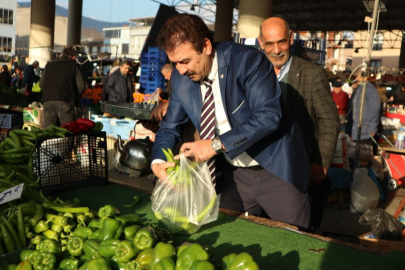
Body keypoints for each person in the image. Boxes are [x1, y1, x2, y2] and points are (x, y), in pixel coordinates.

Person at [151, 14, 312, 229]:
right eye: (174, 63)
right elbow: (170, 127)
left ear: (206, 46)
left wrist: (215, 145)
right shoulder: (181, 80)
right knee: (225, 237)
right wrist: (158, 162)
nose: (179, 70)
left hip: (276, 169)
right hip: (233, 175)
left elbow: (268, 117)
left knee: (296, 240)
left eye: (185, 61)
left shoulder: (248, 61)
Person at [259, 17, 340, 231]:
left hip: (300, 172)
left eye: (282, 42)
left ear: (291, 39)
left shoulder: (312, 74)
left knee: (300, 233)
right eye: (270, 43)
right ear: (261, 43)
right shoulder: (253, 73)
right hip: (261, 172)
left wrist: (320, 163)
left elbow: (329, 120)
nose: (276, 50)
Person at [39, 46, 86, 128]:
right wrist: (74, 96)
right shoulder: (73, 65)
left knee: (48, 133)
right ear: (74, 57)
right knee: (66, 132)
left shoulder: (49, 65)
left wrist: (50, 92)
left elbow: (41, 84)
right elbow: (81, 86)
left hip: (48, 101)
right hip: (66, 102)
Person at [347, 73, 381, 146]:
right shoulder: (359, 88)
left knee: (363, 153)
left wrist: (372, 129)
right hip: (356, 128)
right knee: (354, 152)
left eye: (358, 76)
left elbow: (375, 109)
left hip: (365, 130)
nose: (356, 77)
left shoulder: (370, 89)